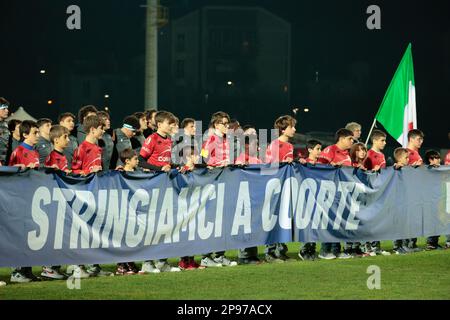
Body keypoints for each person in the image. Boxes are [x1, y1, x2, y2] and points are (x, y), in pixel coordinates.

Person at [139, 111, 181, 273]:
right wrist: (158, 169)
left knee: (164, 224)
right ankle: (147, 262)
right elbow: (141, 160)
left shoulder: (169, 140)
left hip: (165, 185)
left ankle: (161, 262)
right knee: (150, 225)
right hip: (151, 185)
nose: (172, 126)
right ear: (160, 123)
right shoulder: (152, 139)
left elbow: (167, 163)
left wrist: (179, 166)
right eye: (170, 123)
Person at [71, 115, 111, 277]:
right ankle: (77, 267)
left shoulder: (97, 148)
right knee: (81, 232)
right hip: (83, 195)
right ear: (93, 129)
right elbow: (73, 172)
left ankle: (94, 266)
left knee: (96, 231)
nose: (103, 131)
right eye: (101, 128)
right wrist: (88, 172)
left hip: (96, 194)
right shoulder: (82, 148)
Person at [200, 111, 237, 267]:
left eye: (227, 123)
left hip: (225, 181)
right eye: (224, 123)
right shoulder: (211, 138)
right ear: (216, 124)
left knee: (225, 220)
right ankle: (206, 257)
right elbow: (203, 158)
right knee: (211, 220)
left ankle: (219, 255)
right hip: (213, 182)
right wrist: (215, 165)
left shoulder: (226, 139)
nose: (227, 126)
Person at [9, 120, 41, 283]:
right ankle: (16, 272)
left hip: (32, 197)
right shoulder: (18, 151)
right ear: (25, 134)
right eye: (35, 132)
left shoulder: (35, 153)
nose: (38, 135)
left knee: (30, 235)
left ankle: (27, 270)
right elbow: (9, 176)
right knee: (19, 235)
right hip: (20, 199)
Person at [40, 125, 72, 280]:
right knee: (52, 234)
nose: (68, 139)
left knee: (60, 235)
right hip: (53, 200)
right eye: (65, 137)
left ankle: (55, 267)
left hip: (62, 199)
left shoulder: (63, 156)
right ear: (56, 139)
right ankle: (48, 267)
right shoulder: (52, 157)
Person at [317, 128, 354, 260]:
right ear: (342, 138)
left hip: (343, 193)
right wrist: (331, 166)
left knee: (338, 222)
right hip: (329, 192)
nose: (352, 141)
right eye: (350, 138)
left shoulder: (348, 154)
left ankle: (336, 250)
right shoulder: (330, 150)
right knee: (329, 222)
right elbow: (318, 168)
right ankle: (324, 250)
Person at [264, 115, 297, 263]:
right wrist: (282, 162)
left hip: (286, 187)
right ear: (283, 129)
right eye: (291, 127)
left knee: (284, 219)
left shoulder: (290, 146)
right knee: (273, 220)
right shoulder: (274, 144)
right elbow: (269, 167)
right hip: (274, 187)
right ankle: (269, 253)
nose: (294, 129)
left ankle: (281, 251)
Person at [234, 126, 262, 265]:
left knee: (253, 226)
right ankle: (244, 256)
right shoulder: (241, 157)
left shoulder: (256, 158)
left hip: (255, 195)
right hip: (243, 196)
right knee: (244, 226)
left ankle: (253, 254)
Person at [362, 130, 390, 256]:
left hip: (380, 191)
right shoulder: (368, 154)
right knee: (368, 219)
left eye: (385, 140)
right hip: (369, 191)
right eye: (382, 140)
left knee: (377, 218)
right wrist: (372, 171)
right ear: (374, 140)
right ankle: (366, 246)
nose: (384, 143)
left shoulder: (382, 155)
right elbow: (363, 173)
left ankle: (376, 246)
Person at [115, 148, 141, 275]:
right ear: (127, 161)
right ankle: (121, 265)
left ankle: (130, 262)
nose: (138, 161)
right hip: (123, 211)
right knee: (122, 237)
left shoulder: (139, 172)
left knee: (132, 237)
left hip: (135, 210)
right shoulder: (119, 174)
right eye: (135, 159)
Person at [298, 139, 322, 261]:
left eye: (320, 149)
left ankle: (312, 249)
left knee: (315, 225)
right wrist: (300, 163)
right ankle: (304, 250)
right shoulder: (304, 163)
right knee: (307, 225)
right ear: (309, 150)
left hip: (318, 199)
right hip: (306, 199)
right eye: (317, 149)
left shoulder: (322, 165)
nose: (320, 151)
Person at [404, 129, 425, 252]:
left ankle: (412, 243)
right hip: (408, 191)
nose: (421, 141)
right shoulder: (405, 152)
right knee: (408, 218)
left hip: (416, 190)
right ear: (411, 139)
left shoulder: (416, 153)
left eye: (422, 139)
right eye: (418, 139)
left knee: (415, 217)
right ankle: (405, 244)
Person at [392, 147, 412, 255]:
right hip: (397, 202)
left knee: (405, 223)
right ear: (399, 159)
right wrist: (396, 167)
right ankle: (396, 246)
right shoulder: (396, 168)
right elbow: (393, 168)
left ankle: (403, 245)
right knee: (398, 223)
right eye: (406, 157)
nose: (408, 159)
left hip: (405, 201)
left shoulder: (407, 169)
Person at [424, 150, 444, 250]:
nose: (439, 160)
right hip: (429, 200)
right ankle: (431, 243)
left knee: (438, 220)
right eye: (436, 158)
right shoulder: (426, 169)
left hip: (438, 198)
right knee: (432, 220)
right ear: (430, 160)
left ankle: (434, 242)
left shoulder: (438, 169)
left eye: (439, 157)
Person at [0, 97, 11, 166]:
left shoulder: (6, 125)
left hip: (4, 161)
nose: (7, 111)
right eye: (4, 108)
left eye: (7, 108)